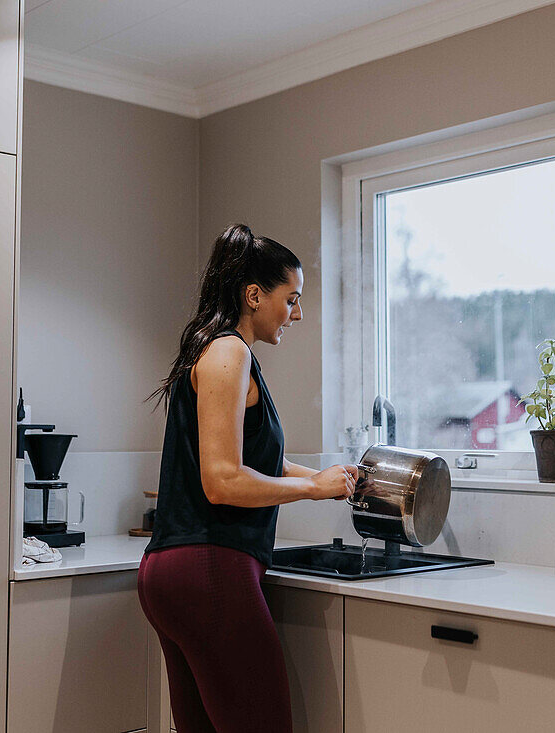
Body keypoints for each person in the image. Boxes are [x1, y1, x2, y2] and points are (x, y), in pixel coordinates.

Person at [139, 223, 358, 733]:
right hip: (210, 569)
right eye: (292, 299)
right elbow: (223, 481)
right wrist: (311, 488)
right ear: (254, 295)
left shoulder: (213, 350)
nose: (297, 314)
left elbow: (251, 461)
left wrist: (329, 481)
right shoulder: (230, 352)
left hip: (175, 572)